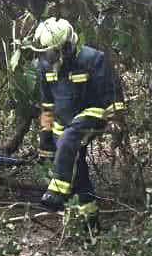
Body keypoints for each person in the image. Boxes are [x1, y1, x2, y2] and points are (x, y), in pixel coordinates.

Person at [29, 17, 124, 231]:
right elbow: (47, 105)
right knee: (77, 168)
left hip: (93, 112)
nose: (48, 56)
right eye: (45, 52)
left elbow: (112, 93)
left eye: (52, 52)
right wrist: (45, 137)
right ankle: (91, 222)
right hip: (64, 121)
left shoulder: (93, 59)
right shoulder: (45, 67)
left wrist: (116, 119)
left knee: (70, 139)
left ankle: (57, 190)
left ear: (67, 46)